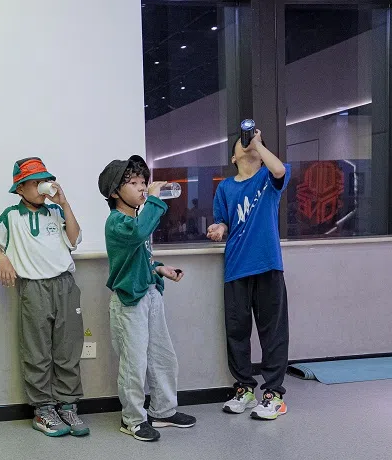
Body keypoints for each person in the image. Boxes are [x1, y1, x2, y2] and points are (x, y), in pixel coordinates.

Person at [0, 157, 88, 437]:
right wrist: (3, 259)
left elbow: (74, 239)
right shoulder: (11, 216)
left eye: (44, 181)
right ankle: (43, 411)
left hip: (64, 284)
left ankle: (68, 406)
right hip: (34, 289)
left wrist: (64, 203)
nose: (42, 188)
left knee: (68, 348)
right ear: (20, 188)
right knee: (37, 350)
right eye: (34, 183)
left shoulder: (55, 211)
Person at [99, 155, 197, 442]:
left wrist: (159, 268)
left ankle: (164, 410)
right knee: (134, 364)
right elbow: (139, 232)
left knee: (163, 357)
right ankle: (132, 419)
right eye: (134, 183)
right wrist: (155, 199)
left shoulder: (135, 220)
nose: (142, 188)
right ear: (115, 192)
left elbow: (138, 258)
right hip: (129, 303)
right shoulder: (117, 222)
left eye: (144, 182)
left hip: (150, 295)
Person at [207, 129, 290, 420]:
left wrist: (257, 143)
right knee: (237, 332)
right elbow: (223, 222)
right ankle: (244, 388)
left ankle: (274, 394)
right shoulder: (226, 188)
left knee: (273, 332)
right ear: (233, 157)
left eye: (255, 144)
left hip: (267, 265)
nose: (249, 146)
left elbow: (278, 168)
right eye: (242, 145)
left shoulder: (268, 179)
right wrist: (219, 228)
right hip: (236, 268)